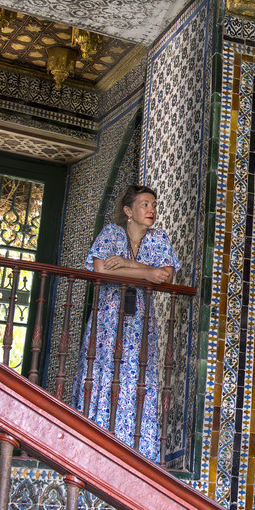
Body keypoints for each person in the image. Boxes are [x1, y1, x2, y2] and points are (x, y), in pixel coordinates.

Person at [80, 184, 179, 461]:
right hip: (108, 319)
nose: (151, 209)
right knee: (104, 372)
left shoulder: (159, 238)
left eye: (154, 205)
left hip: (140, 324)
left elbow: (165, 275)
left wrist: (128, 265)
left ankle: (136, 452)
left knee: (137, 378)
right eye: (144, 204)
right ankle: (96, 446)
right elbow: (101, 269)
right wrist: (147, 273)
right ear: (128, 210)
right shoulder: (111, 233)